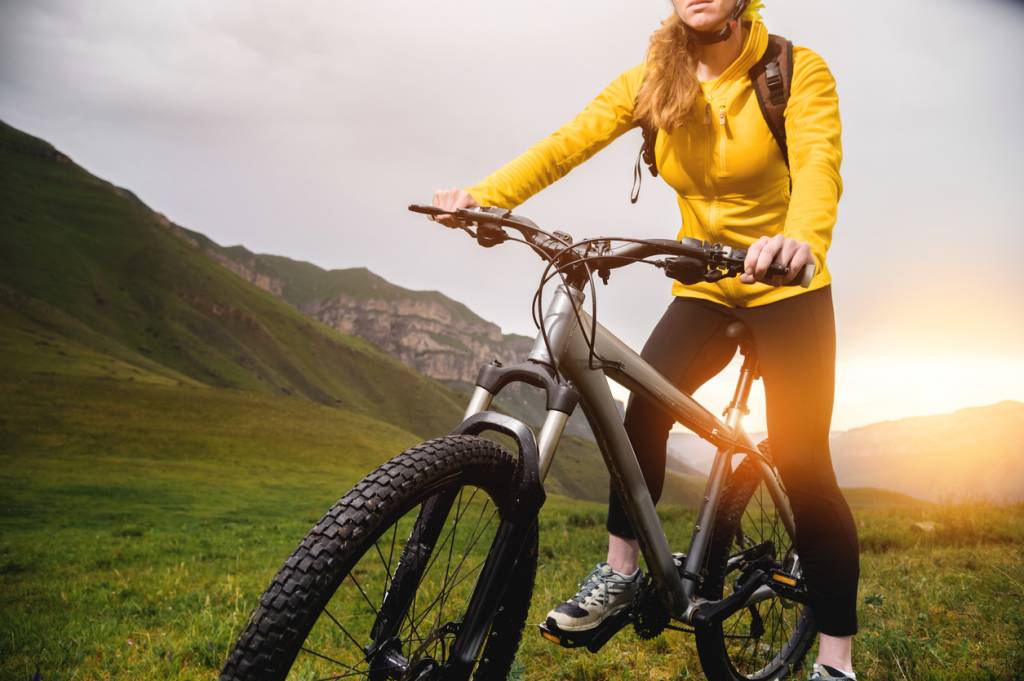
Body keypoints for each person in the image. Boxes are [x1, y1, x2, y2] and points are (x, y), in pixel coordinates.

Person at [431, 1, 859, 678]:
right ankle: (621, 571)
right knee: (642, 414)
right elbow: (565, 143)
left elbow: (818, 166)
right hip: (704, 286)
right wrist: (484, 198)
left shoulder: (792, 72)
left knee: (805, 464)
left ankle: (836, 658)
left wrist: (800, 239)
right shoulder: (655, 80)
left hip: (787, 284)